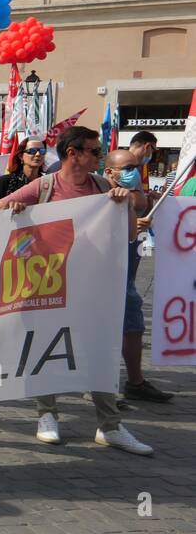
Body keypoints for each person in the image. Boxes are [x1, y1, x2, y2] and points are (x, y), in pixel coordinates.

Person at [0, 126, 153, 455]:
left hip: (92, 285)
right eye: (95, 152)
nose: (99, 157)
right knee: (45, 347)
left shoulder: (102, 186)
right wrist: (19, 212)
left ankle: (109, 425)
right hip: (49, 284)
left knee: (99, 348)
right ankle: (47, 415)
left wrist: (126, 207)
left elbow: (126, 237)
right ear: (73, 154)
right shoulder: (45, 186)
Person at [102, 148, 172, 403]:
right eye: (128, 168)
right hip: (99, 276)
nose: (135, 173)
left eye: (136, 167)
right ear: (109, 171)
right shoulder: (97, 190)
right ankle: (99, 387)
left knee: (133, 327)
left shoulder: (134, 193)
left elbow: (140, 205)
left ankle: (135, 382)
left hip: (126, 275)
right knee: (99, 331)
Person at [0, 136, 45, 204]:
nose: (38, 154)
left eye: (42, 151)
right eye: (32, 151)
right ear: (21, 156)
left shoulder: (48, 182)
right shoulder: (4, 182)